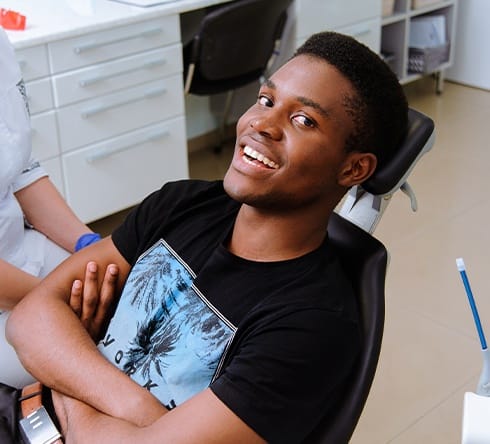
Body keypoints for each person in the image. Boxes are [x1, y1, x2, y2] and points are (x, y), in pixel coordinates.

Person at [7, 31, 408, 443]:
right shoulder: (183, 202)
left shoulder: (312, 326)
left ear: (354, 170)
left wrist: (66, 370)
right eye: (266, 100)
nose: (262, 124)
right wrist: (137, 408)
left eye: (303, 120)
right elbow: (30, 319)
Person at [0, 27, 101, 388]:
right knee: (87, 361)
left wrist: (88, 245)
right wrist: (57, 302)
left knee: (119, 299)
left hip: (18, 250)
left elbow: (21, 169)